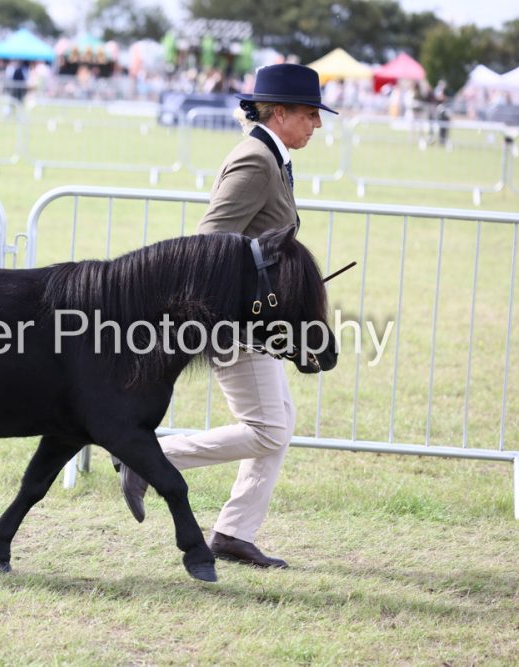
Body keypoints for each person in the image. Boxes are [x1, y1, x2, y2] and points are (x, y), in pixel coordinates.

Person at [119, 63, 337, 569]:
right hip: (235, 321)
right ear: (278, 113)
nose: (317, 124)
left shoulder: (271, 157)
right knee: (268, 429)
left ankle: (234, 533)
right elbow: (209, 241)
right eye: (309, 114)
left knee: (278, 423)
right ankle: (146, 457)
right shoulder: (256, 160)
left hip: (259, 318)